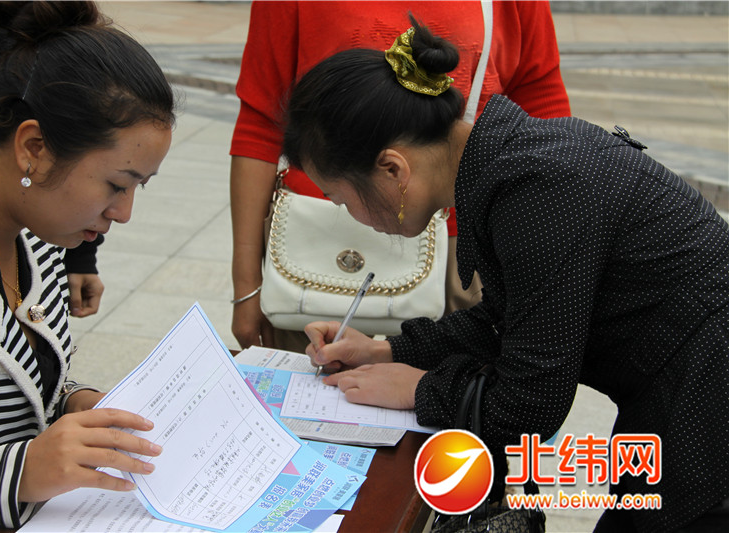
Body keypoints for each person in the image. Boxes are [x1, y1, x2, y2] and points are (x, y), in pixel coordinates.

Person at [282, 16, 729, 533]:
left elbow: (530, 402)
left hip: (706, 411)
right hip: (686, 396)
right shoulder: (508, 165)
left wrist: (420, 388)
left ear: (393, 170)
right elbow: (506, 320)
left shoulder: (537, 191)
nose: (349, 215)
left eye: (341, 199)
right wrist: (387, 351)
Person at [0, 2, 175, 531]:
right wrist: (22, 471)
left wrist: (76, 403)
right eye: (116, 184)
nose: (124, 213)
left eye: (139, 187)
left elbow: (27, 388)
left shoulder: (38, 237)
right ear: (34, 148)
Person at [229, 0, 571, 351]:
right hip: (318, 240)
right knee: (315, 372)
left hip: (465, 236)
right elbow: (261, 122)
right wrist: (246, 286)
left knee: (470, 364)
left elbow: (541, 99)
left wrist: (545, 249)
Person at [0, 0, 105, 319]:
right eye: (118, 185)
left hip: (25, 218)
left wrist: (81, 253)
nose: (123, 213)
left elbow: (78, 110)